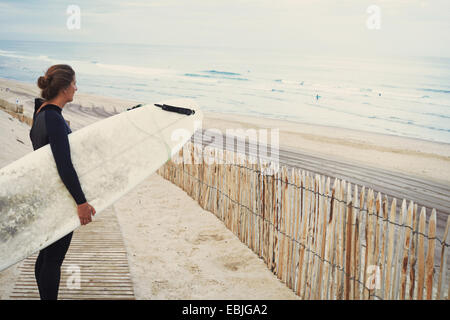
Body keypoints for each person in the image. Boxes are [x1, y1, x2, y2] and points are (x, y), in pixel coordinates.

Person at [29, 64, 96, 300]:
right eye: (74, 84)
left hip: (47, 196)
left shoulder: (41, 113)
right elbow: (64, 164)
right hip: (58, 198)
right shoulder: (54, 119)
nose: (77, 88)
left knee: (46, 256)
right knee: (53, 259)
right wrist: (81, 202)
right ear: (65, 88)